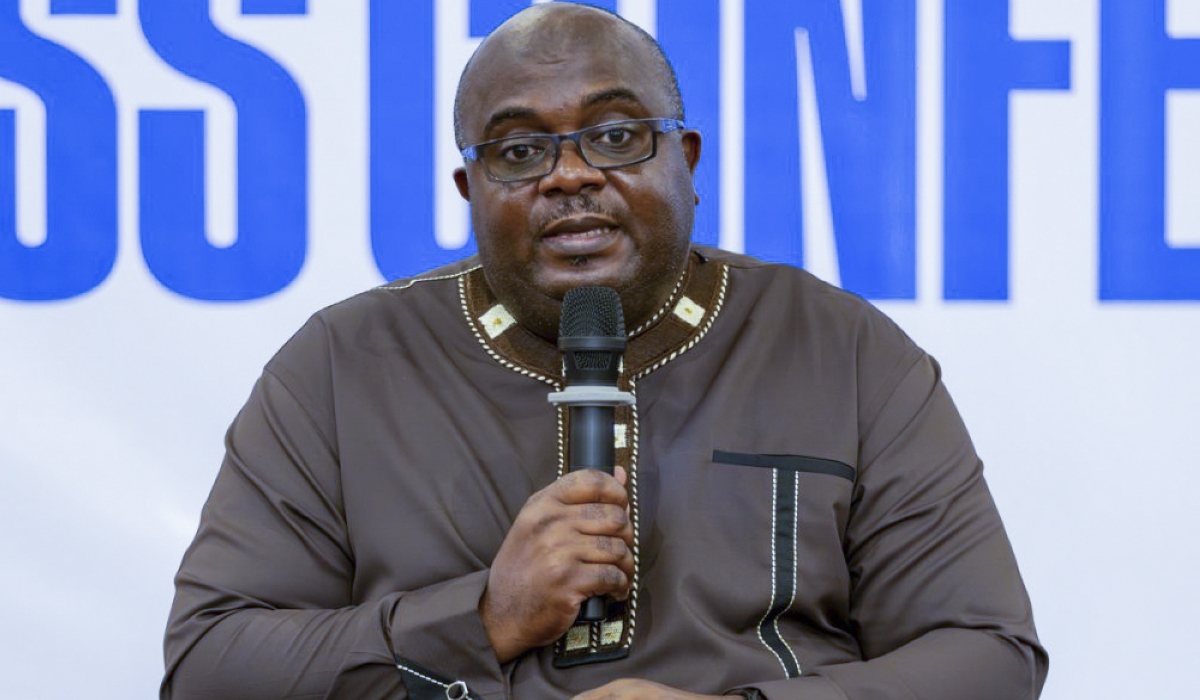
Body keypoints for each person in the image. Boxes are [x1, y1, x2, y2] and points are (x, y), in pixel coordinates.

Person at [162, 4, 1047, 699]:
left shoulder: (840, 349)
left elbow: (989, 656)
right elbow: (209, 666)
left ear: (686, 160)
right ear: (471, 190)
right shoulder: (344, 364)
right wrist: (482, 617)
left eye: (617, 135)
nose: (570, 174)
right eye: (519, 150)